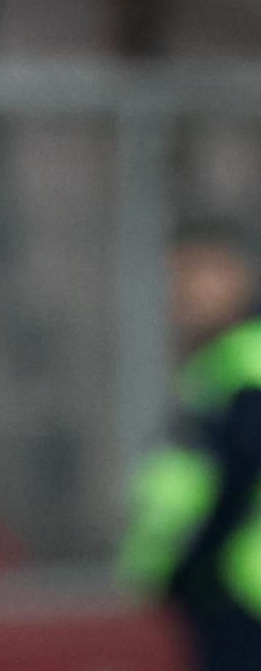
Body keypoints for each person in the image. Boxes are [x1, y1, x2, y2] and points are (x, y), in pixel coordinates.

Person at [119, 227, 261, 670]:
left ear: (238, 276)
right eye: (174, 277)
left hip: (237, 592)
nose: (181, 293)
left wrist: (193, 567)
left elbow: (236, 478)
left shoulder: (246, 364)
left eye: (196, 275)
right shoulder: (217, 362)